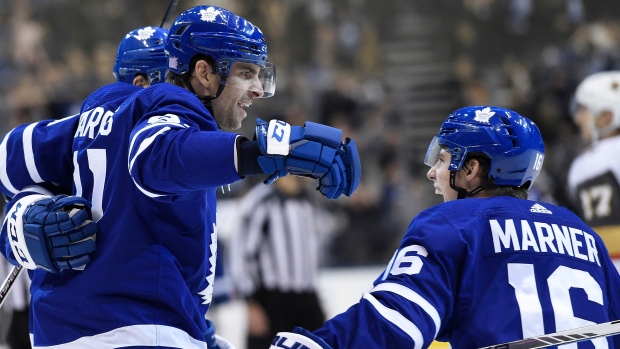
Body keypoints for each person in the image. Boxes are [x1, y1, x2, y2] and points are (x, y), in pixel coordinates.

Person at [0, 5, 360, 349]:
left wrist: (21, 219)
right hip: (135, 327)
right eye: (246, 74)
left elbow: (9, 161)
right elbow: (156, 157)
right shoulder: (174, 108)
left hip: (62, 328)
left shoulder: (93, 116)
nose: (256, 91)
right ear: (203, 73)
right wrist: (268, 153)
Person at [270, 106, 620, 349]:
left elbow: (395, 323)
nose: (431, 172)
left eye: (443, 158)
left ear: (471, 170)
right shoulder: (581, 232)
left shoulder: (453, 224)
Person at [0, 25, 170, 349]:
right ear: (140, 82)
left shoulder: (180, 151)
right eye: (172, 81)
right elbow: (6, 166)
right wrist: (26, 224)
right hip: (73, 324)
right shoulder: (96, 128)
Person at [229, 174, 340, 349]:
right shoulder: (261, 201)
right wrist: (251, 303)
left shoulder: (310, 201)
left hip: (307, 298)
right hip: (271, 301)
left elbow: (322, 240)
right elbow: (241, 253)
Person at [567, 71, 620, 271]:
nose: (577, 118)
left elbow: (610, 243)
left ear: (606, 117)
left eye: (584, 110)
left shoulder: (593, 161)